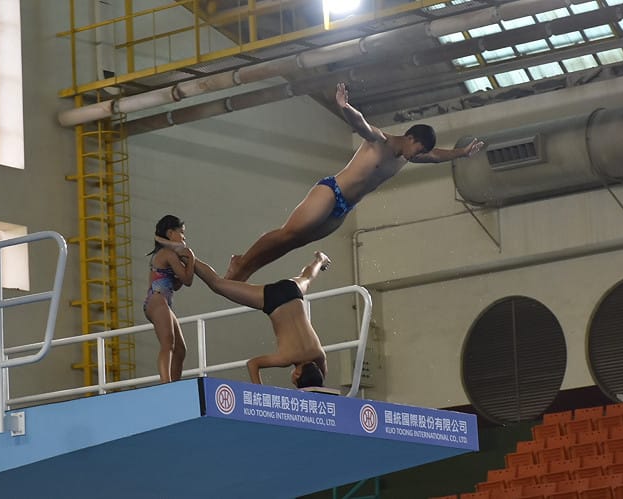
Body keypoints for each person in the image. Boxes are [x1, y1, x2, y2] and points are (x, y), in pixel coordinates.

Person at [224, 82, 485, 281]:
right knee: (288, 232)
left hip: (343, 209)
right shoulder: (379, 142)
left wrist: (461, 153)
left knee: (294, 243)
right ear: (410, 137)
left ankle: (248, 270)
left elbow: (436, 156)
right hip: (331, 192)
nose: (418, 155)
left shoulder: (405, 158)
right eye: (418, 149)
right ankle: (241, 261)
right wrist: (345, 107)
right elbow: (361, 124)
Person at [193, 250, 331, 388]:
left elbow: (322, 379)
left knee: (306, 277)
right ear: (296, 375)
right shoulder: (286, 358)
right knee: (218, 284)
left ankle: (319, 260)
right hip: (272, 299)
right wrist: (260, 391)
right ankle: (188, 255)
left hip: (293, 291)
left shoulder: (319, 354)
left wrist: (318, 385)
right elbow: (252, 364)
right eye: (294, 382)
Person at [143, 215, 195, 383]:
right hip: (157, 301)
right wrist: (191, 259)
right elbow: (188, 280)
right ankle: (166, 384)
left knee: (180, 349)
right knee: (168, 344)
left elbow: (178, 284)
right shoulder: (166, 254)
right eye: (181, 232)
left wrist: (184, 262)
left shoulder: (168, 255)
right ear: (170, 232)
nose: (184, 237)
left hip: (162, 302)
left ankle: (174, 383)